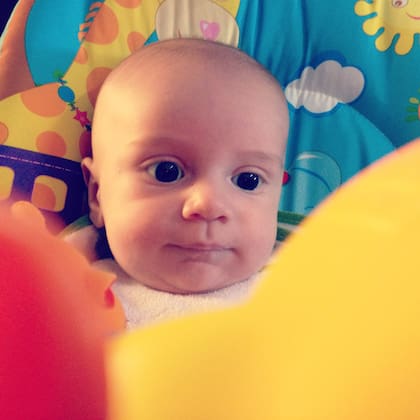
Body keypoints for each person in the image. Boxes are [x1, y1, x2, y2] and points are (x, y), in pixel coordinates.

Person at [79, 38, 289, 328]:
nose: (208, 205)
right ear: (97, 194)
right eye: (166, 172)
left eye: (247, 180)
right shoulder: (76, 294)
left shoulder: (302, 285)